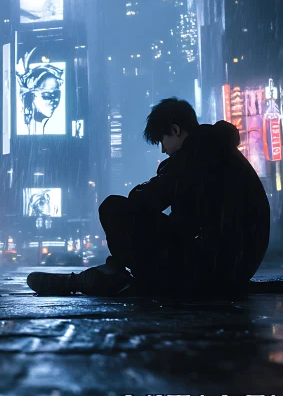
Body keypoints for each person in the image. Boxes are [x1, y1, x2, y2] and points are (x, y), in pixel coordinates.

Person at [27, 98, 270, 296]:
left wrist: (150, 186)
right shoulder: (221, 152)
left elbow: (145, 200)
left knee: (113, 208)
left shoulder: (194, 154)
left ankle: (106, 277)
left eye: (162, 141)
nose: (163, 150)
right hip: (233, 266)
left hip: (210, 269)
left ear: (175, 130)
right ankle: (110, 275)